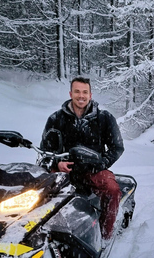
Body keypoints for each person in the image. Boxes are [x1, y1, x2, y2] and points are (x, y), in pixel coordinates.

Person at [40, 77, 124, 243]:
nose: (81, 96)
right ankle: (39, 230)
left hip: (93, 170)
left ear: (90, 95)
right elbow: (45, 150)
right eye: (77, 91)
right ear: (70, 93)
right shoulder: (56, 119)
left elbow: (117, 147)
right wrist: (57, 163)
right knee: (38, 189)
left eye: (85, 92)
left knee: (112, 190)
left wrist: (101, 163)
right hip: (64, 170)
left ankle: (104, 235)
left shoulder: (104, 118)